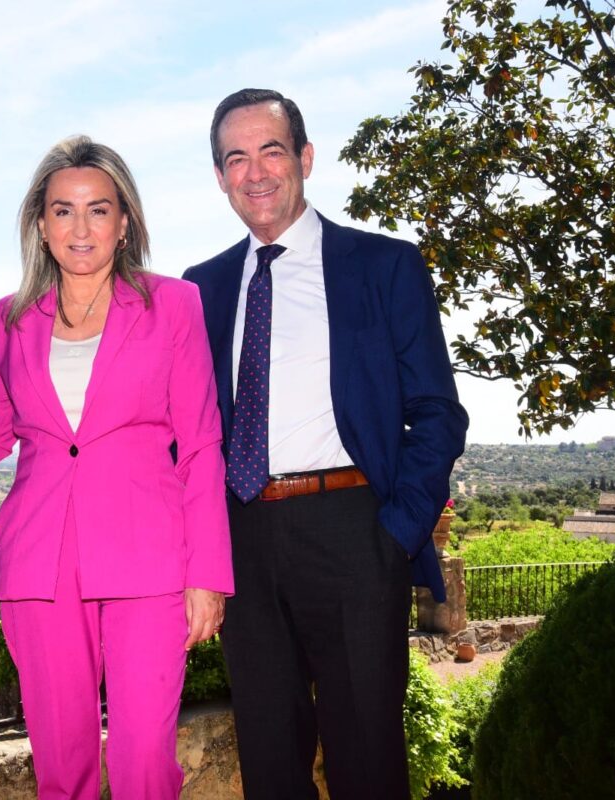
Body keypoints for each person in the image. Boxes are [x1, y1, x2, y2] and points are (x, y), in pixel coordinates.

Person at [183, 89, 469, 800]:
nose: (254, 172)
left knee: (366, 753)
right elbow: (184, 432)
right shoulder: (200, 289)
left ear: (305, 158)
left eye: (270, 150)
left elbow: (436, 411)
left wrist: (395, 533)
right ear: (219, 177)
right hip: (242, 536)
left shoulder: (383, 267)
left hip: (353, 532)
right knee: (270, 758)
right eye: (235, 158)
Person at [0, 135, 233, 799]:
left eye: (98, 209)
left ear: (124, 223)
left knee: (144, 762)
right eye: (62, 210)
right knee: (59, 764)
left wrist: (206, 574)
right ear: (40, 223)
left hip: (149, 562)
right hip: (37, 566)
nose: (80, 226)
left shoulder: (172, 304)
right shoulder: (6, 320)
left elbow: (203, 442)